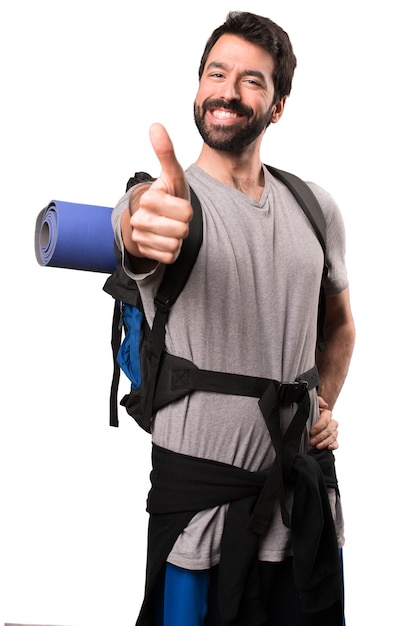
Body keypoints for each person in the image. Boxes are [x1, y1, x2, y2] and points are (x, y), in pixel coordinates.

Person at [111, 11, 355, 626]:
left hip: (299, 513)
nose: (227, 90)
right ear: (198, 89)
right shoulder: (168, 199)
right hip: (199, 521)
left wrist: (322, 403)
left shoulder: (315, 207)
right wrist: (139, 218)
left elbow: (340, 325)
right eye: (216, 73)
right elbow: (137, 222)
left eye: (252, 80)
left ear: (277, 107)